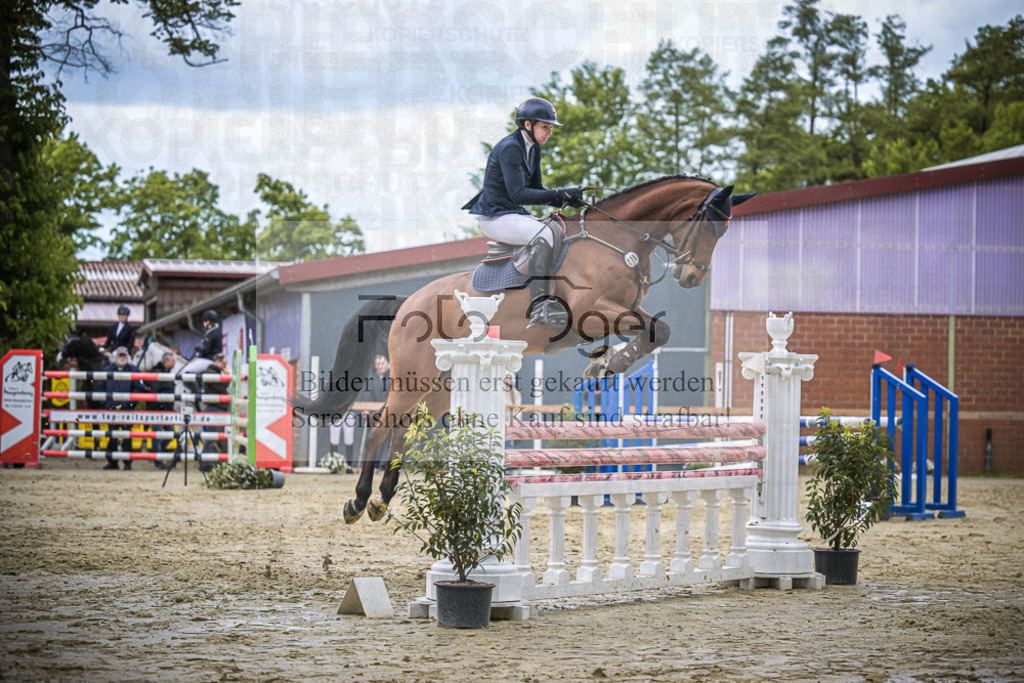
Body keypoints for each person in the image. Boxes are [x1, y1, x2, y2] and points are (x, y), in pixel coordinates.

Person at [463, 97, 587, 329]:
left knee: (558, 229)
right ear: (528, 125)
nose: (549, 132)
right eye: (545, 126)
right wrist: (560, 193)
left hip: (512, 214)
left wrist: (567, 199)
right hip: (496, 217)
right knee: (544, 235)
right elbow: (519, 194)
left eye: (550, 127)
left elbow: (538, 190)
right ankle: (539, 305)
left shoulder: (533, 147)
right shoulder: (510, 148)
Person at [97, 347, 145, 471]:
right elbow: (100, 386)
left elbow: (138, 388)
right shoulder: (107, 370)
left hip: (126, 410)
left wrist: (130, 404)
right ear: (116, 356)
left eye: (124, 355)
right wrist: (105, 402)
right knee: (112, 436)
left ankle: (127, 463)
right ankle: (112, 462)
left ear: (127, 356)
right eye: (120, 355)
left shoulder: (134, 370)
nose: (122, 358)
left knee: (127, 437)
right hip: (111, 408)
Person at [150, 352, 178, 469]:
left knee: (169, 433)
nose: (174, 363)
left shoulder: (166, 373)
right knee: (158, 435)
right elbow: (155, 391)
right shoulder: (158, 373)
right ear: (166, 362)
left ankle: (157, 455)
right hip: (158, 409)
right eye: (172, 361)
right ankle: (158, 461)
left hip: (166, 409)